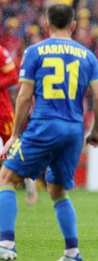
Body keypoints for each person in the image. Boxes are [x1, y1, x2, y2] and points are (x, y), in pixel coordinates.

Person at [0, 3, 98, 261]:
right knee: (57, 190)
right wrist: (95, 132)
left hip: (45, 124)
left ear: (46, 25)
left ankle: (5, 245)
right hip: (73, 128)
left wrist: (15, 134)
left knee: (6, 178)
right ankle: (72, 252)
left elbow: (24, 95)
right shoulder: (87, 55)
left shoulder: (35, 52)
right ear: (73, 25)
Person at [0, 44, 39, 207]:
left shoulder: (1, 52)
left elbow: (13, 77)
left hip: (3, 113)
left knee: (14, 150)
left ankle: (29, 180)